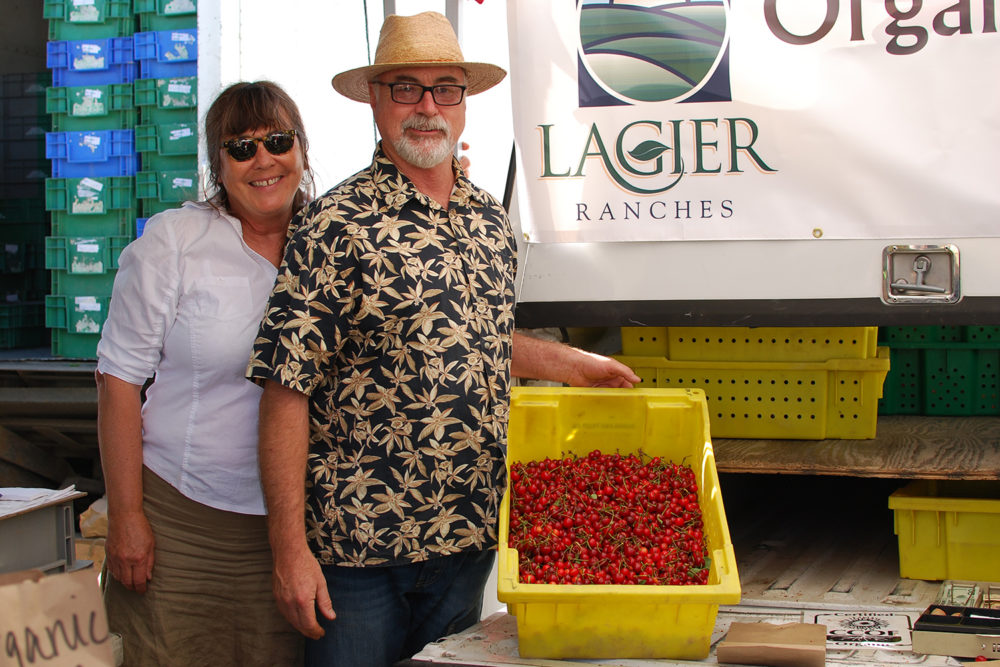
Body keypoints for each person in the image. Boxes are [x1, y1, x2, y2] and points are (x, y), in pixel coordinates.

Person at [246, 11, 640, 667]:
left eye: (446, 88)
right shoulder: (334, 225)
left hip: (465, 542)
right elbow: (286, 390)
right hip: (360, 553)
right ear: (376, 99)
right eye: (406, 87)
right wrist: (289, 549)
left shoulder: (489, 218)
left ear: (465, 101)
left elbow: (472, 335)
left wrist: (570, 361)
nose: (427, 107)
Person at [94, 81, 311, 666]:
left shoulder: (330, 242)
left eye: (278, 140)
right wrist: (128, 518)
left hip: (294, 531)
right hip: (180, 523)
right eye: (240, 147)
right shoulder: (176, 242)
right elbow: (117, 382)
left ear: (301, 151)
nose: (263, 159)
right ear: (219, 165)